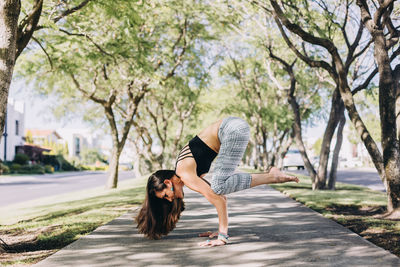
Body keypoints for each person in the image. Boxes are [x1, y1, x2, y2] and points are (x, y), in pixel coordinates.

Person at [136, 117, 299, 247]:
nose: (170, 199)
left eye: (165, 195)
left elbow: (218, 199)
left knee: (219, 186)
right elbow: (221, 197)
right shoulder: (187, 171)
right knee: (219, 187)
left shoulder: (185, 174)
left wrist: (222, 236)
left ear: (168, 182)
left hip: (232, 129)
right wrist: (219, 229)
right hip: (234, 127)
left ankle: (272, 176)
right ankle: (272, 175)